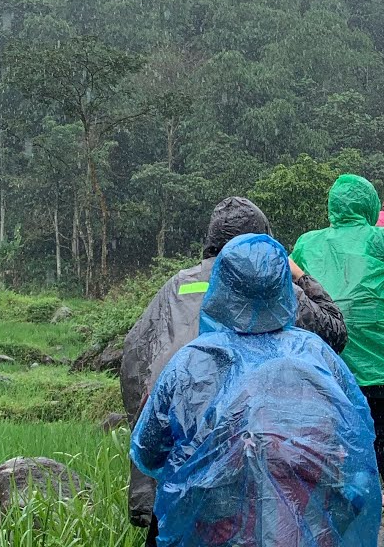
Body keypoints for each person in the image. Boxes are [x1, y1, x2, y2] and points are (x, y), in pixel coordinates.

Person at [120, 197, 346, 546]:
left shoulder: (181, 309)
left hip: (192, 491)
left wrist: (156, 416)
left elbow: (137, 355)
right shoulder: (283, 300)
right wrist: (299, 272)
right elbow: (334, 333)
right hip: (276, 495)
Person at [290, 175, 384, 544]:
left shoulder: (308, 243)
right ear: (370, 206)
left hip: (327, 371)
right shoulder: (383, 238)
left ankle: (338, 530)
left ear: (332, 206)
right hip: (383, 368)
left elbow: (289, 282)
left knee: (334, 452)